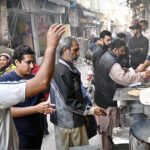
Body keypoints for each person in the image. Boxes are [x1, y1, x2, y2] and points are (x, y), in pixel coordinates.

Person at [0, 24, 65, 150]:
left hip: (36, 131)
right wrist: (35, 109)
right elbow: (9, 111)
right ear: (17, 62)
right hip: (19, 134)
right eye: (28, 62)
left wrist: (44, 108)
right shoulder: (5, 82)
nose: (31, 66)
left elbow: (42, 97)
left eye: (33, 62)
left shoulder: (33, 79)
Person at [49, 36, 106, 150]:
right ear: (65, 50)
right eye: (75, 50)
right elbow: (68, 102)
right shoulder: (61, 71)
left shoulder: (68, 67)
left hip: (74, 120)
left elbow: (77, 95)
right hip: (67, 124)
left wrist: (83, 114)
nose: (78, 53)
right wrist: (91, 111)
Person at [94, 39, 150, 150]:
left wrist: (121, 70)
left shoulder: (107, 56)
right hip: (107, 102)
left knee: (108, 132)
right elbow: (124, 79)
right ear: (115, 49)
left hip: (102, 98)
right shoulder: (112, 62)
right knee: (109, 132)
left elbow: (114, 73)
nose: (124, 53)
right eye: (122, 51)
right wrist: (143, 75)